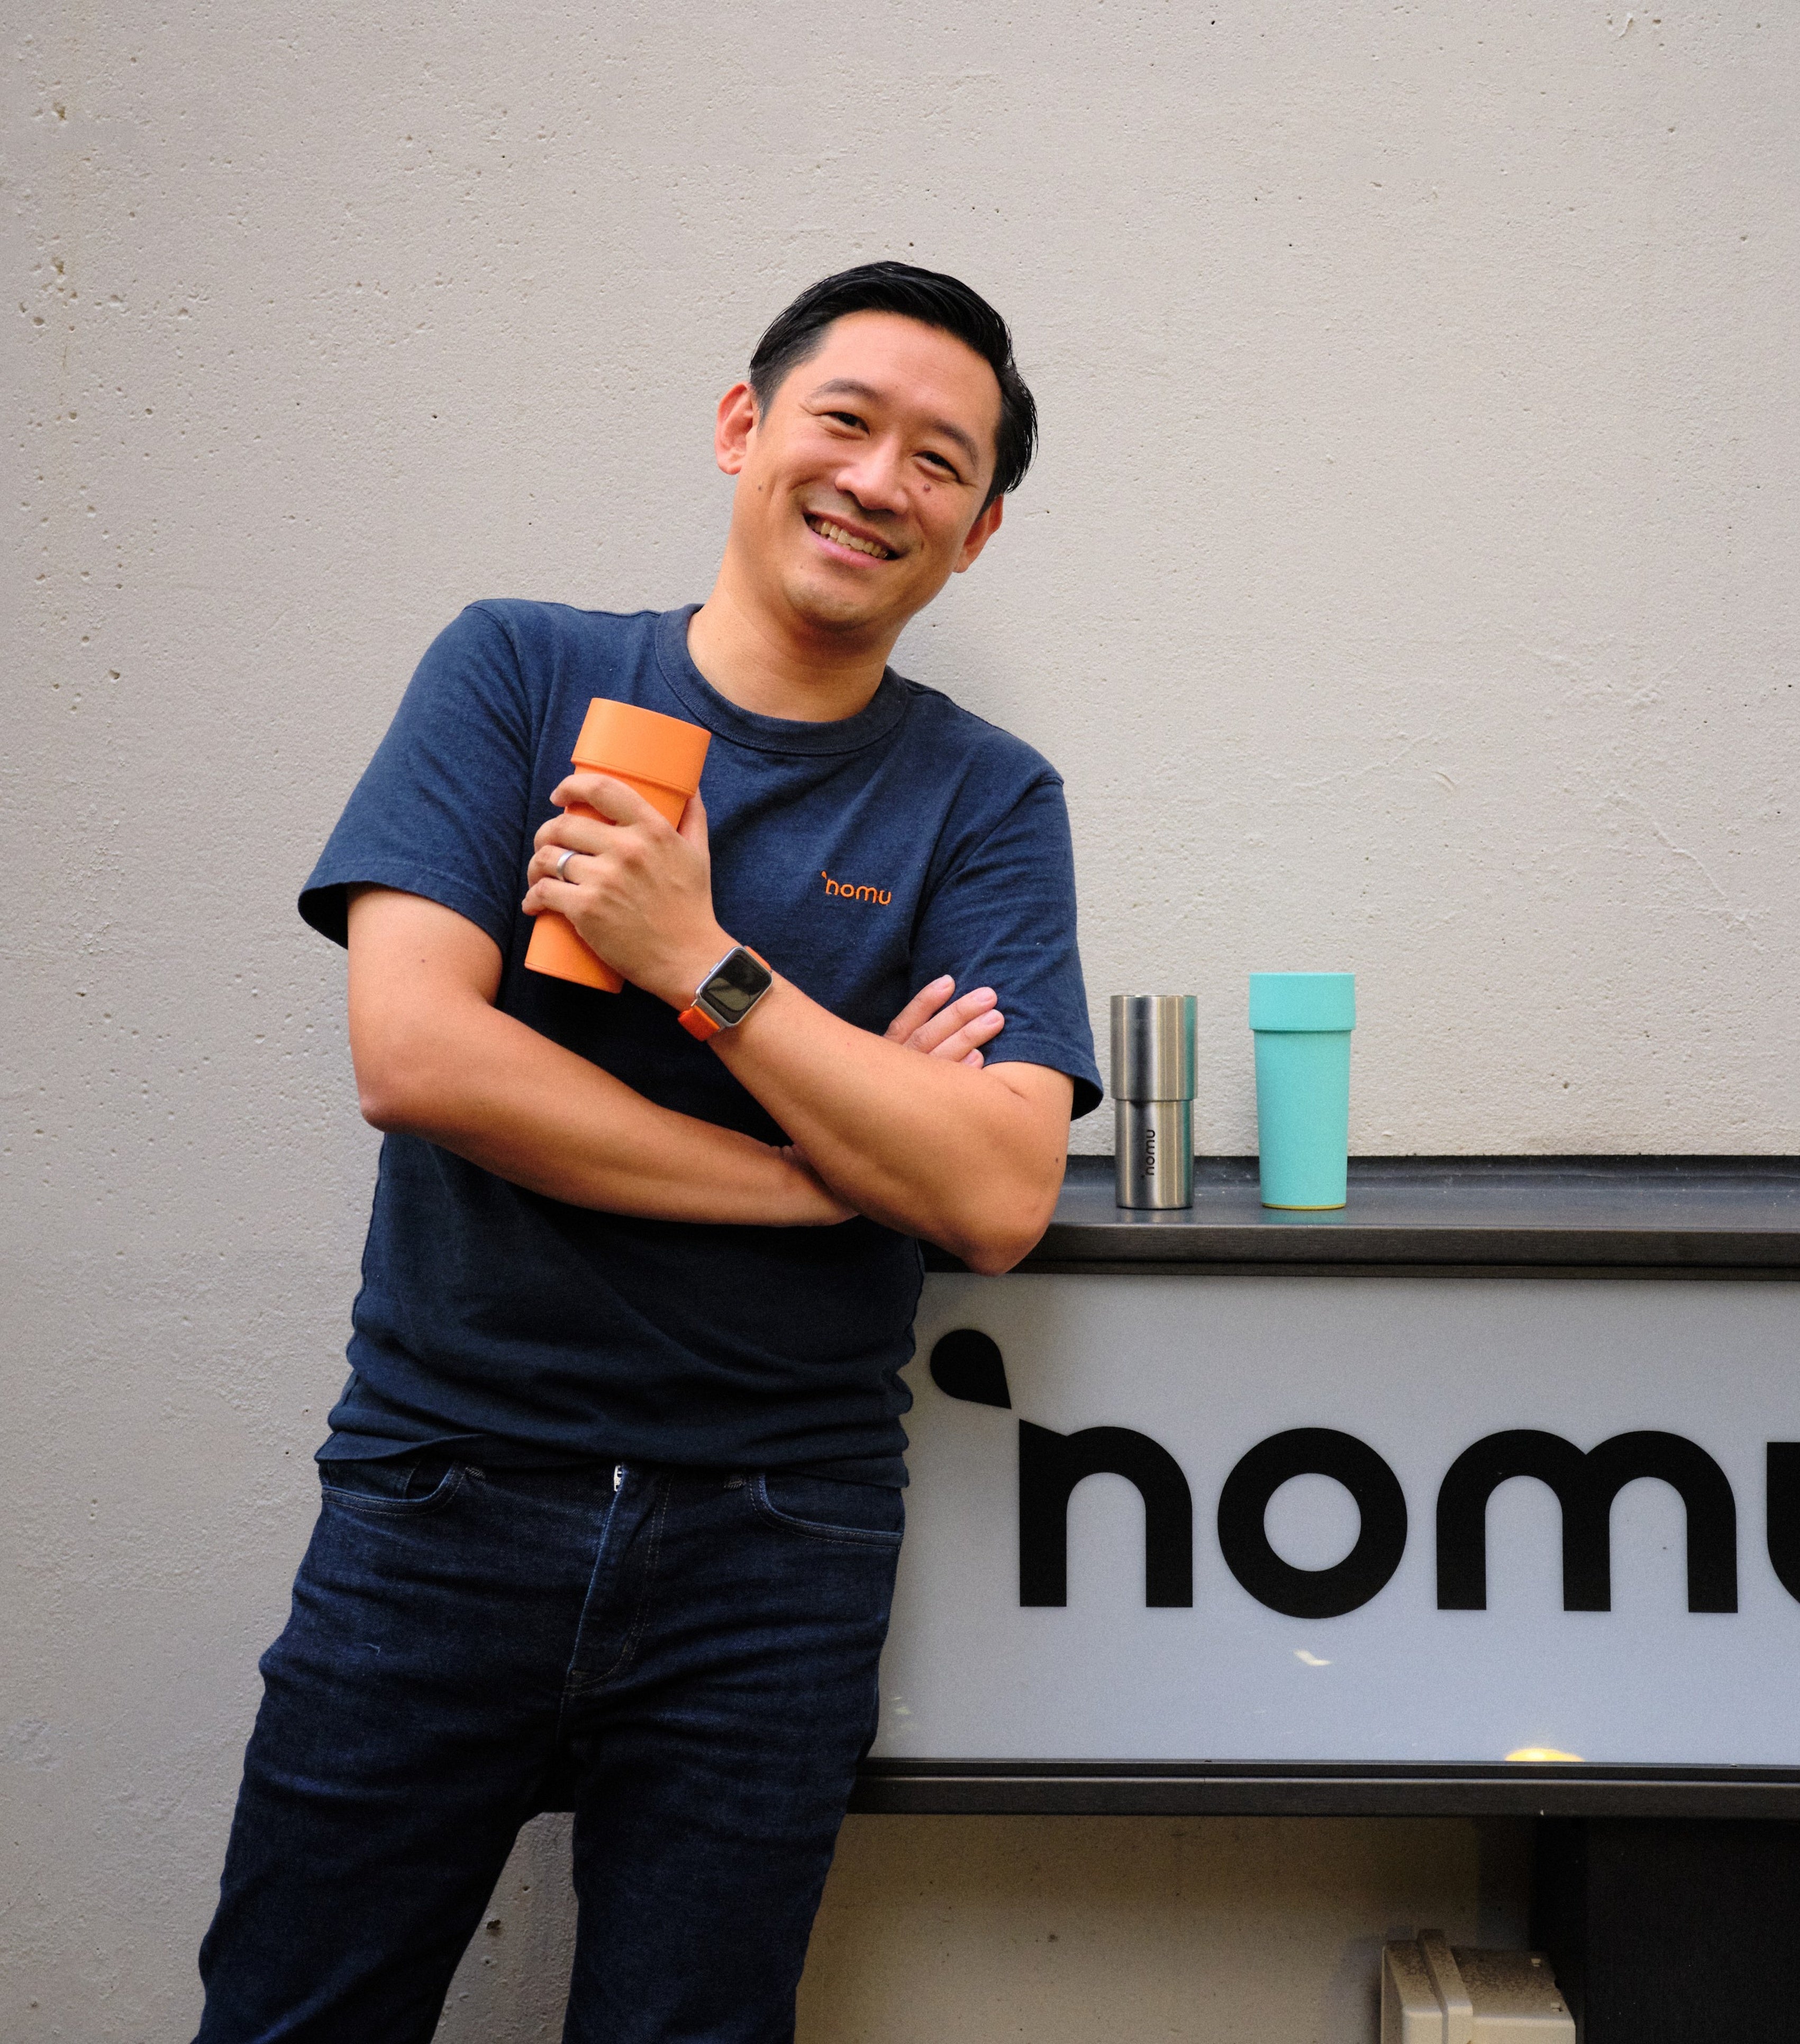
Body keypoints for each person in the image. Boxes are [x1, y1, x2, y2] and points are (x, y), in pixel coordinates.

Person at [193, 261, 1101, 2044]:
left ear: (977, 533)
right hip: (442, 1488)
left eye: (939, 462)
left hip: (779, 1533)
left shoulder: (984, 797)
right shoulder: (521, 671)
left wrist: (701, 962)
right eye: (846, 421)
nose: (878, 481)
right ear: (743, 426)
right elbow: (418, 1055)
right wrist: (826, 1168)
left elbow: (994, 1197)